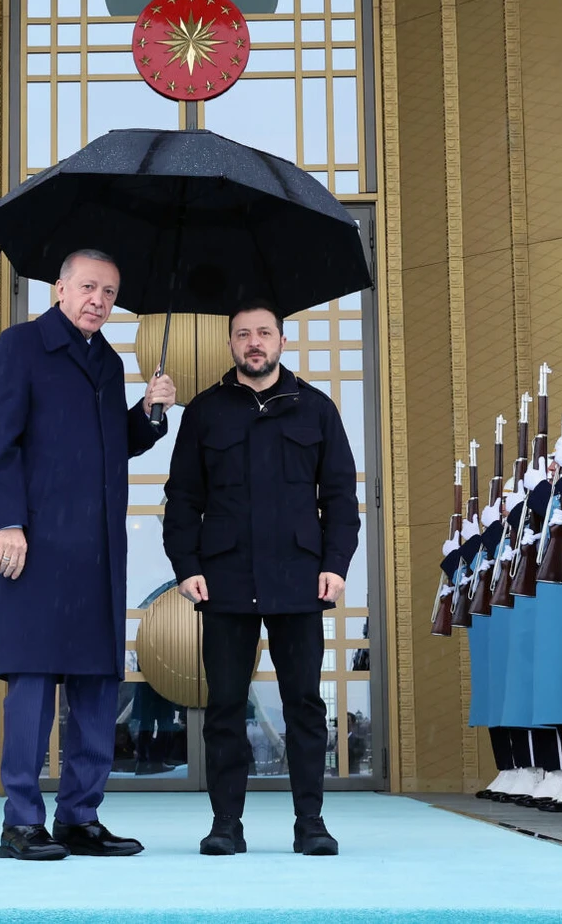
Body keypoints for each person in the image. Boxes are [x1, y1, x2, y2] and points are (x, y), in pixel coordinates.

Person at [0, 248, 176, 861]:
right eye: (89, 287)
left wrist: (148, 412)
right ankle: (20, 822)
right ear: (60, 287)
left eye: (110, 293)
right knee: (33, 687)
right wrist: (6, 522)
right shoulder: (21, 346)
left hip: (97, 553)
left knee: (94, 689)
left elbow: (110, 445)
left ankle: (80, 817)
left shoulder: (109, 363)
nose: (99, 300)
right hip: (35, 545)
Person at [163, 300, 359, 857]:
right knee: (225, 704)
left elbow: (341, 498)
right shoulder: (205, 412)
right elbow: (182, 499)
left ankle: (311, 824)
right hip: (224, 579)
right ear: (231, 344)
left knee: (303, 705)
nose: (254, 342)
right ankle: (226, 823)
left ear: (281, 341)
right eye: (243, 333)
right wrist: (187, 567)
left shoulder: (316, 410)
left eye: (264, 333)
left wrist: (335, 564)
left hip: (300, 578)